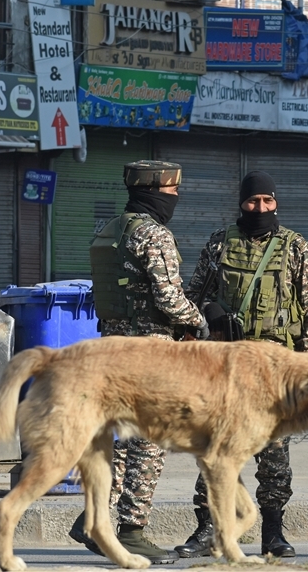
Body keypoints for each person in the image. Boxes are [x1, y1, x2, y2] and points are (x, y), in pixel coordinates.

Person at [177, 170, 308, 559]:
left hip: (276, 369)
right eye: (253, 201)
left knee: (273, 452)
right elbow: (192, 296)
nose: (260, 208)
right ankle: (207, 529)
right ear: (241, 203)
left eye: (267, 201)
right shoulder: (219, 244)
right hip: (227, 366)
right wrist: (211, 313)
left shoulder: (296, 248)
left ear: (276, 202)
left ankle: (273, 533)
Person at [68, 160, 208, 565]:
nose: (176, 198)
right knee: (151, 441)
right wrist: (199, 321)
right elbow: (169, 299)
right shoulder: (154, 234)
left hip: (113, 350)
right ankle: (132, 531)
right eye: (171, 192)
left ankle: (92, 519)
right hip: (149, 354)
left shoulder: (109, 229)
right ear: (153, 192)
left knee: (125, 441)